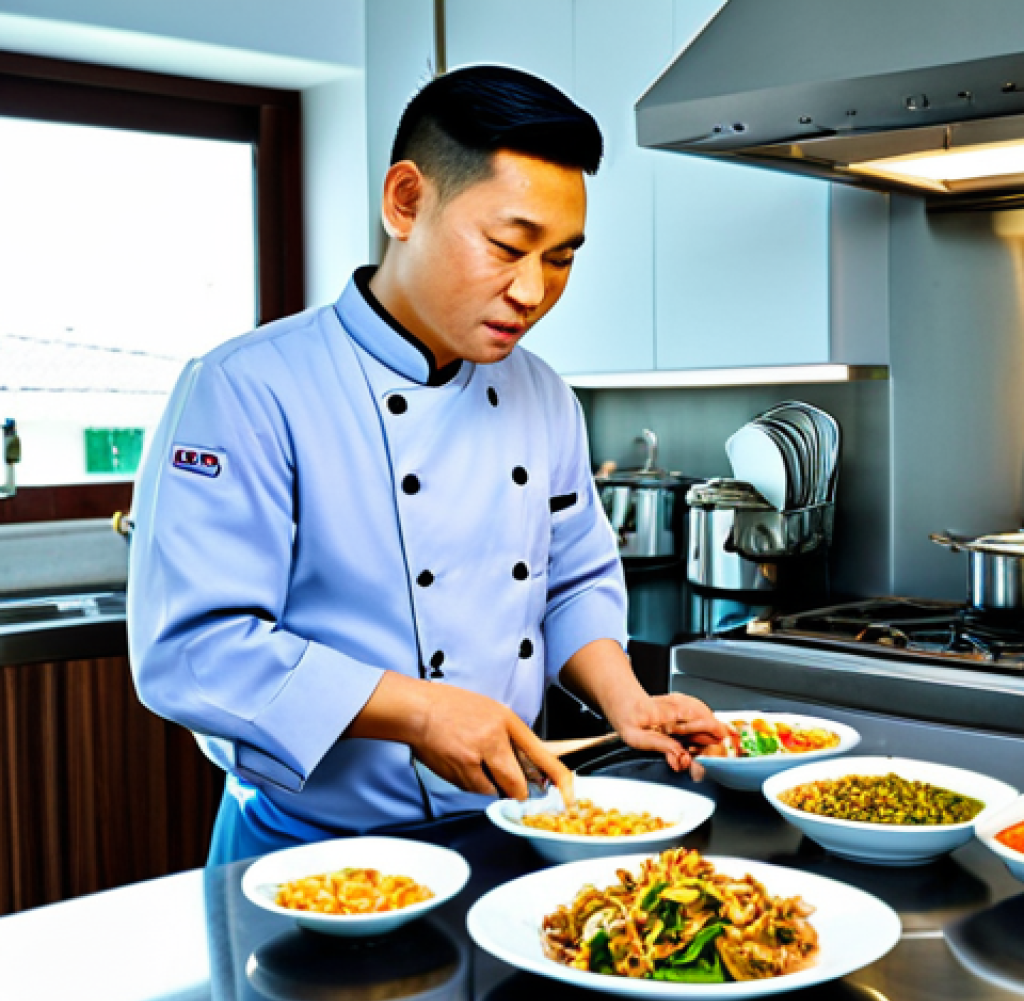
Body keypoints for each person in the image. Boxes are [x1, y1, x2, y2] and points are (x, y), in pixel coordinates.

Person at [127, 65, 728, 865]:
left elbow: (574, 582)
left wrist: (627, 700)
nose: (532, 291)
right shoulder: (247, 388)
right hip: (307, 854)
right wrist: (420, 712)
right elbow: (195, 651)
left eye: (560, 258)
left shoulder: (544, 395)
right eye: (508, 247)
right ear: (406, 202)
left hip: (509, 826)